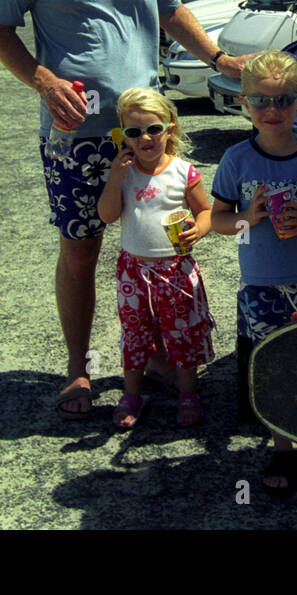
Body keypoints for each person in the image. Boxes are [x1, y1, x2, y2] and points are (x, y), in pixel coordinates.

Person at [0, 0, 247, 421]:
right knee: (82, 249)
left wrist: (219, 58)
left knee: (162, 245)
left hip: (148, 134)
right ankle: (78, 370)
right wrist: (44, 81)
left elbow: (171, 9)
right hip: (76, 137)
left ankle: (152, 357)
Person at [209, 50, 297, 497]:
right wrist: (246, 218)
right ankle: (284, 446)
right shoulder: (237, 160)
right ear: (243, 104)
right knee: (275, 367)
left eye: (284, 101)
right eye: (261, 101)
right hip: (262, 284)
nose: (273, 111)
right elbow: (216, 220)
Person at [97, 88, 214, 429]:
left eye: (153, 129)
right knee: (134, 333)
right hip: (134, 269)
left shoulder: (183, 171)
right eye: (134, 132)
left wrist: (199, 229)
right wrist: (115, 177)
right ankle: (131, 395)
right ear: (124, 137)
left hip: (175, 268)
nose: (145, 138)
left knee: (182, 332)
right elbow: (107, 216)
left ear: (170, 129)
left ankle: (188, 394)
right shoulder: (125, 172)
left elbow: (205, 210)